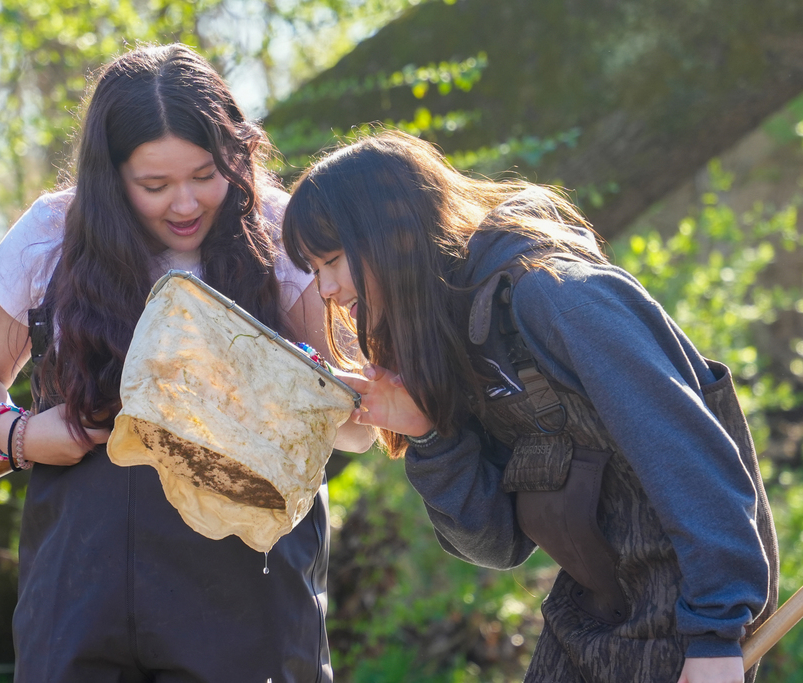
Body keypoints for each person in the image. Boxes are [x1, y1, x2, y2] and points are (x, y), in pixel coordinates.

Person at [279, 130, 779, 683]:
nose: (324, 289)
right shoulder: (455, 337)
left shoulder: (558, 295)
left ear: (390, 237)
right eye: (313, 269)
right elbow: (499, 544)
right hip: (590, 613)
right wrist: (427, 434)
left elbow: (692, 457)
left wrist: (714, 634)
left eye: (331, 261)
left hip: (690, 612)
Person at [0, 43, 372, 682]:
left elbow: (359, 425)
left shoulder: (285, 236)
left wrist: (306, 386)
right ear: (108, 175)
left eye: (205, 175)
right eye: (154, 185)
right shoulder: (49, 236)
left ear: (237, 155)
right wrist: (21, 433)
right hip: (80, 591)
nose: (185, 204)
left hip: (247, 596)